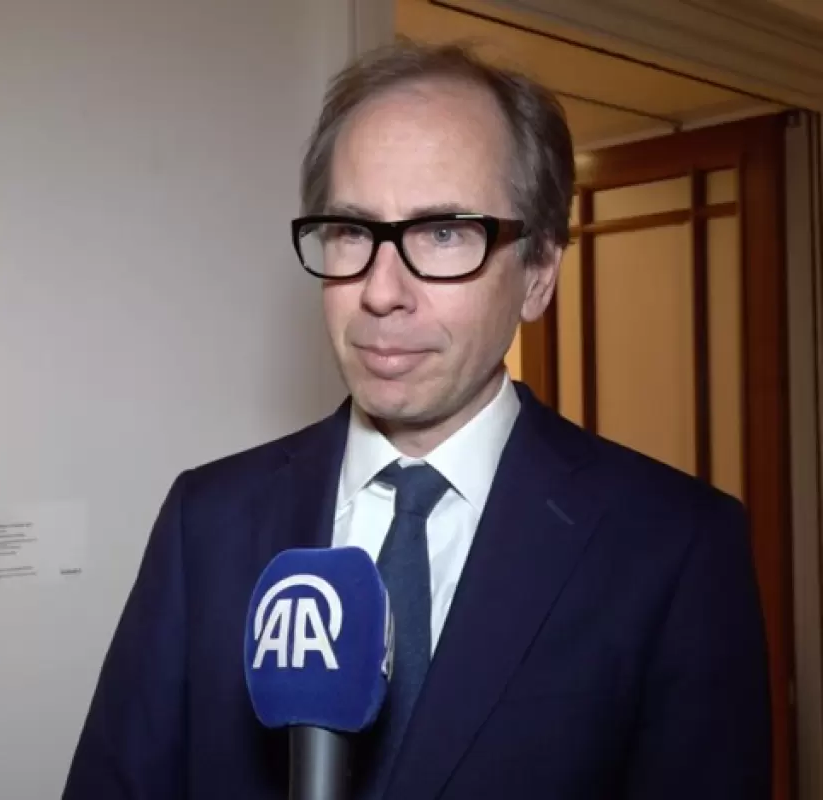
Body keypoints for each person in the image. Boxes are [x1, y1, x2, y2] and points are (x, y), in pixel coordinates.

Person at [62, 38, 771, 800]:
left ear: (537, 274)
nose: (381, 291)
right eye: (352, 231)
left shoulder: (673, 548)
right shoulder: (207, 523)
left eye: (442, 233)